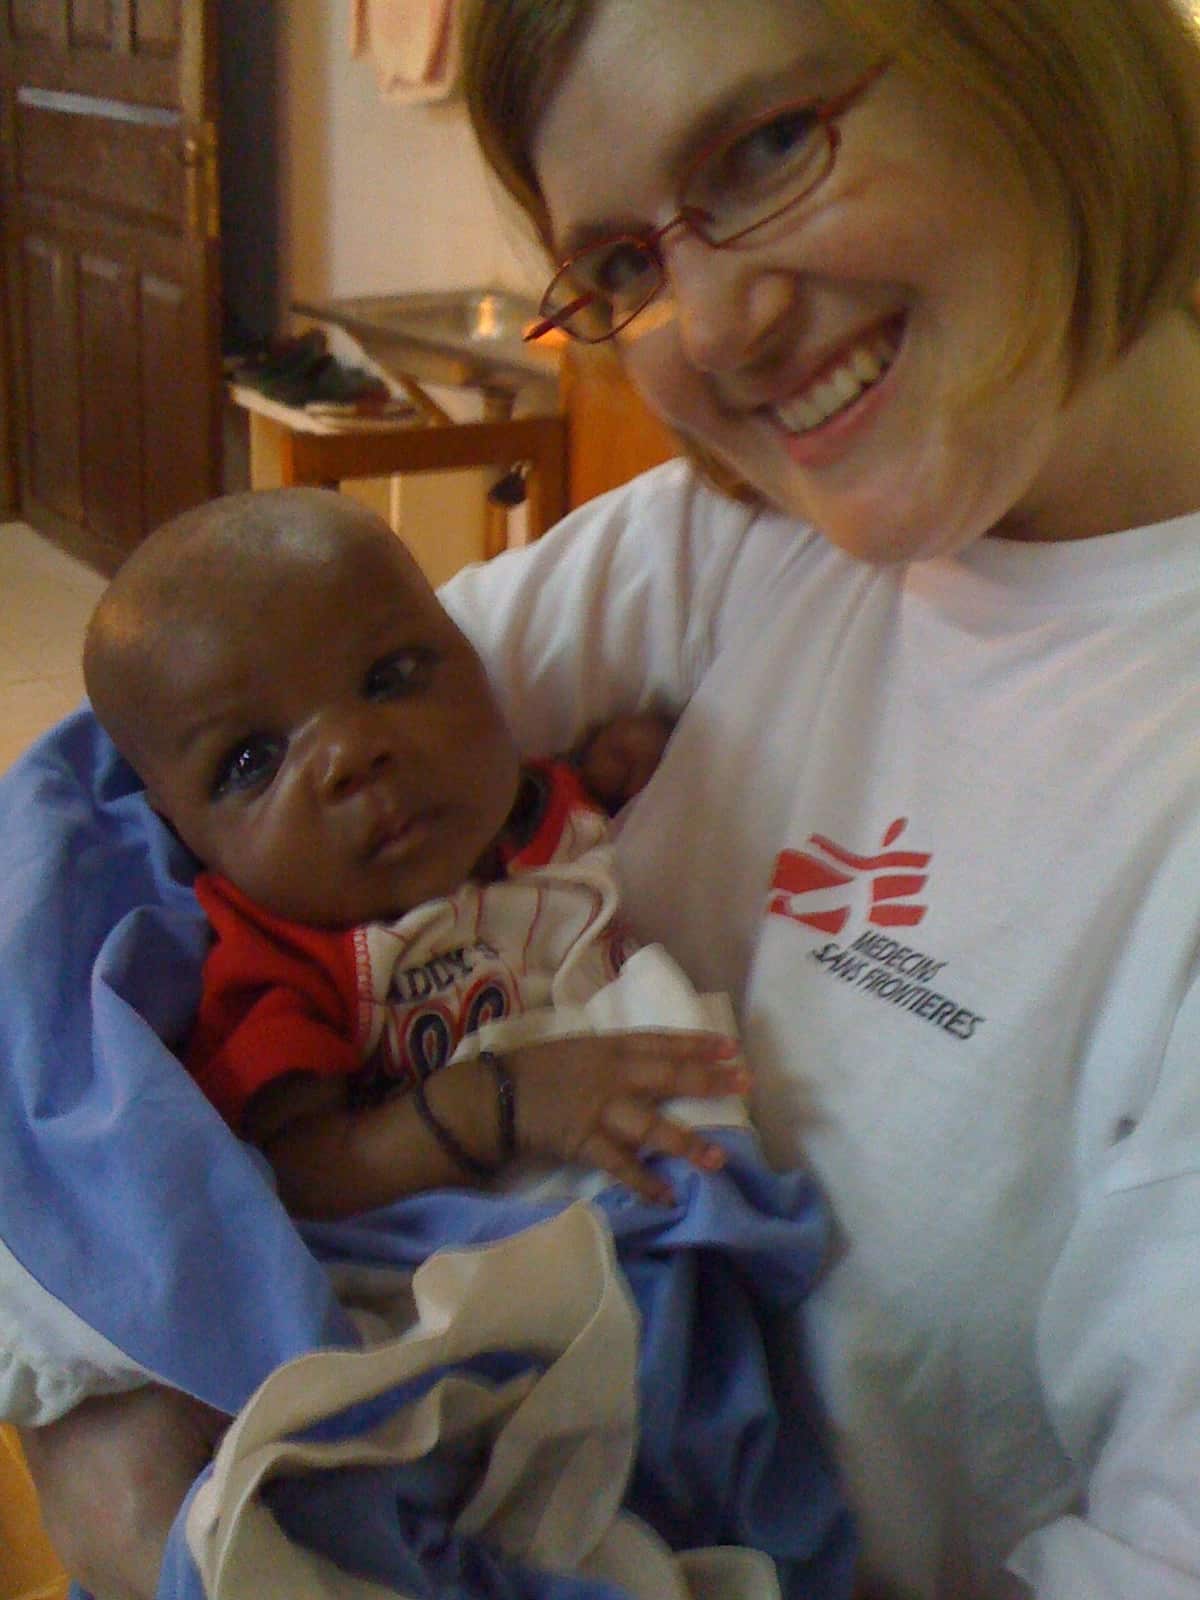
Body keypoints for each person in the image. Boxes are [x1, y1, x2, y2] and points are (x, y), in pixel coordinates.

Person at [8, 0, 1200, 1594]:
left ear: (1040, 53)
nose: (707, 333)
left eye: (769, 147)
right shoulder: (742, 533)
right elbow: (130, 812)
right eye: (627, 266)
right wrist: (116, 1395)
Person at [81, 485, 747, 1216]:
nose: (351, 754)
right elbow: (301, 1174)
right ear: (184, 830)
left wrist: (614, 770)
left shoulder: (539, 806)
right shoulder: (283, 961)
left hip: (675, 1186)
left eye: (388, 679)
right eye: (252, 760)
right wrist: (504, 1100)